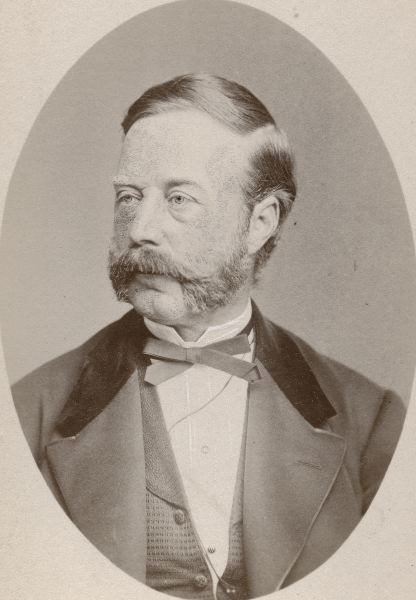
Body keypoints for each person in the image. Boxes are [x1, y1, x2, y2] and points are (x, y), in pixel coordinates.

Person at [12, 74, 405, 599]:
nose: (140, 228)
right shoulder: (27, 416)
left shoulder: (371, 422)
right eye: (129, 196)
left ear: (260, 222)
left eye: (179, 198)